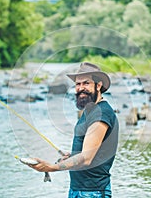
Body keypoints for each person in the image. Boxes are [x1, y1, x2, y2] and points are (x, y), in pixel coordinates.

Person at [29, 62, 119, 198]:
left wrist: (51, 168)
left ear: (98, 85)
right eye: (78, 84)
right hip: (80, 190)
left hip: (92, 192)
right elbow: (91, 151)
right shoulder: (90, 111)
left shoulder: (101, 114)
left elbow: (87, 158)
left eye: (86, 83)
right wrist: (72, 155)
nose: (80, 88)